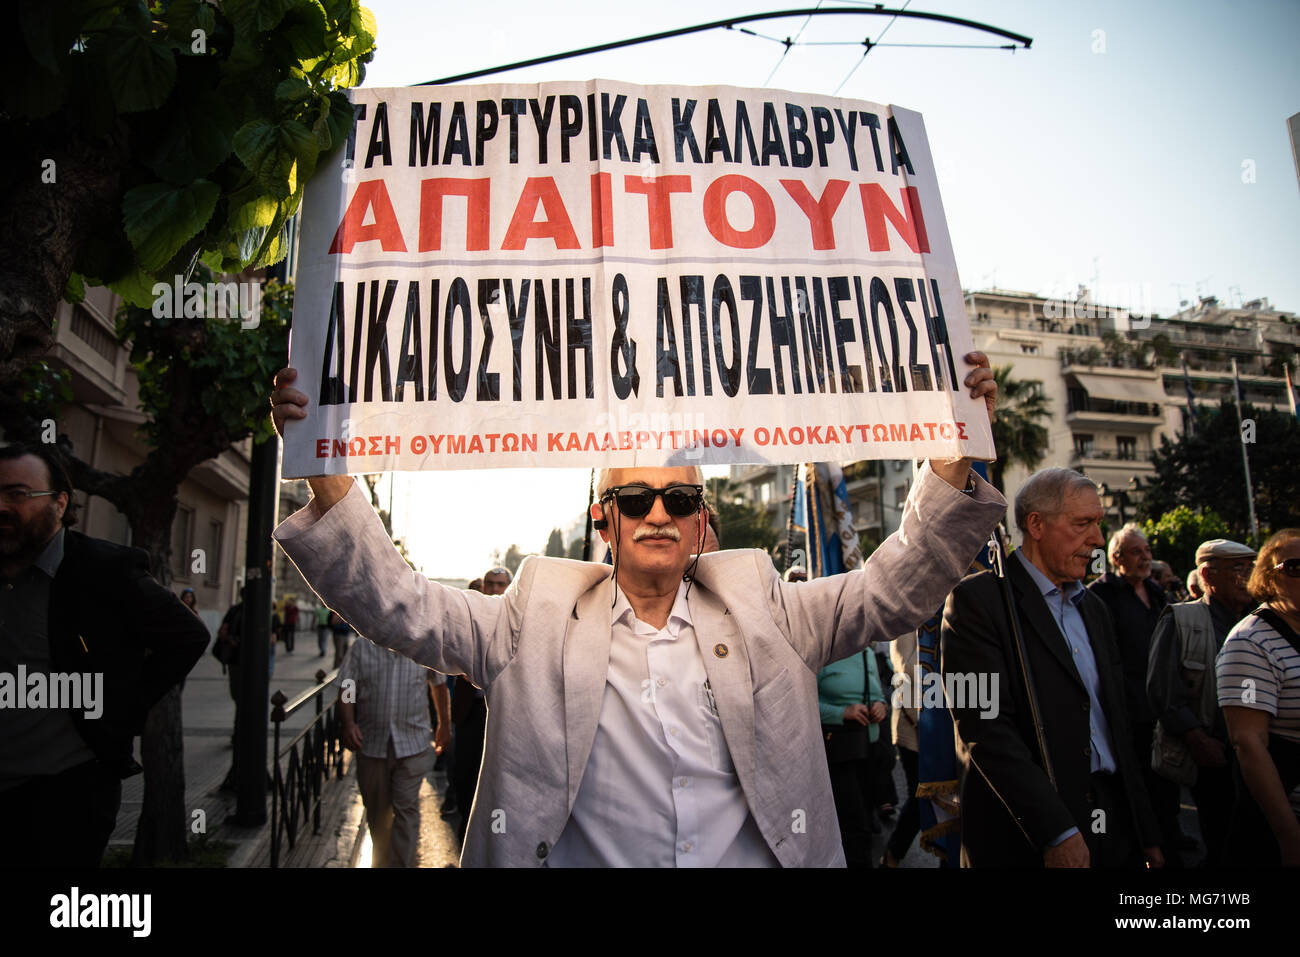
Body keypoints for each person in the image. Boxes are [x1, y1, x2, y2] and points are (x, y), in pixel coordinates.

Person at [268, 354, 1003, 867]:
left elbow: (893, 588)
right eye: (635, 499)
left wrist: (949, 456)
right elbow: (402, 607)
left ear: (701, 524)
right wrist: (328, 480)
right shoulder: (532, 616)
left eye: (679, 499)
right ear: (605, 520)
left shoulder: (768, 608)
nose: (658, 512)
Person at [941, 467, 1163, 868]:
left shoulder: (1095, 608)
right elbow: (983, 728)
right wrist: (1054, 831)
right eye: (1082, 524)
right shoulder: (976, 604)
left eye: (1098, 523)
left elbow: (1117, 722)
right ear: (1036, 525)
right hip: (1027, 832)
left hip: (1112, 822)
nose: (1096, 539)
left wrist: (1146, 831)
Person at [0, 442, 208, 866]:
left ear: (60, 502)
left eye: (17, 494)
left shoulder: (104, 569)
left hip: (63, 798)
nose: (2, 506)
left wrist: (123, 709)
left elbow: (186, 636)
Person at [1147, 538, 1258, 867]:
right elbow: (1161, 691)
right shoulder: (1182, 620)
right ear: (1208, 576)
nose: (1248, 577)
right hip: (1212, 760)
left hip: (1255, 756)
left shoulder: (1258, 621)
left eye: (1251, 568)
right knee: (1224, 840)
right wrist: (1197, 738)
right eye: (1239, 569)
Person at [1088, 524, 1178, 865]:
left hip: (1163, 716)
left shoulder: (1158, 595)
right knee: (1133, 799)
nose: (1145, 558)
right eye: (1137, 552)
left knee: (1166, 796)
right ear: (1116, 557)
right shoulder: (1100, 596)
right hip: (1127, 717)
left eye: (1147, 551)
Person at [1215, 529, 1300, 866]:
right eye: (1294, 567)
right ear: (1267, 577)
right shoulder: (1250, 643)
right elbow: (1248, 743)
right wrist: (1290, 836)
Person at [338, 636, 442, 867]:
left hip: (412, 744)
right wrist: (348, 723)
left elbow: (439, 683)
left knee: (406, 809)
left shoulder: (423, 644)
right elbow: (347, 685)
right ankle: (382, 858)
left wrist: (444, 724)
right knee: (377, 815)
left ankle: (400, 864)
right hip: (372, 745)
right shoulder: (362, 646)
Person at [817, 645, 886, 867]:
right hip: (837, 750)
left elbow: (878, 694)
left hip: (868, 747)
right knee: (853, 824)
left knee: (863, 818)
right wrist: (842, 712)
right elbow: (802, 703)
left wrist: (879, 706)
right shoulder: (821, 652)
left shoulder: (866, 652)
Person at [883, 629, 921, 867]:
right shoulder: (909, 623)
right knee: (921, 798)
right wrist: (924, 722)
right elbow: (903, 674)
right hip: (913, 729)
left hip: (940, 729)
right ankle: (892, 856)